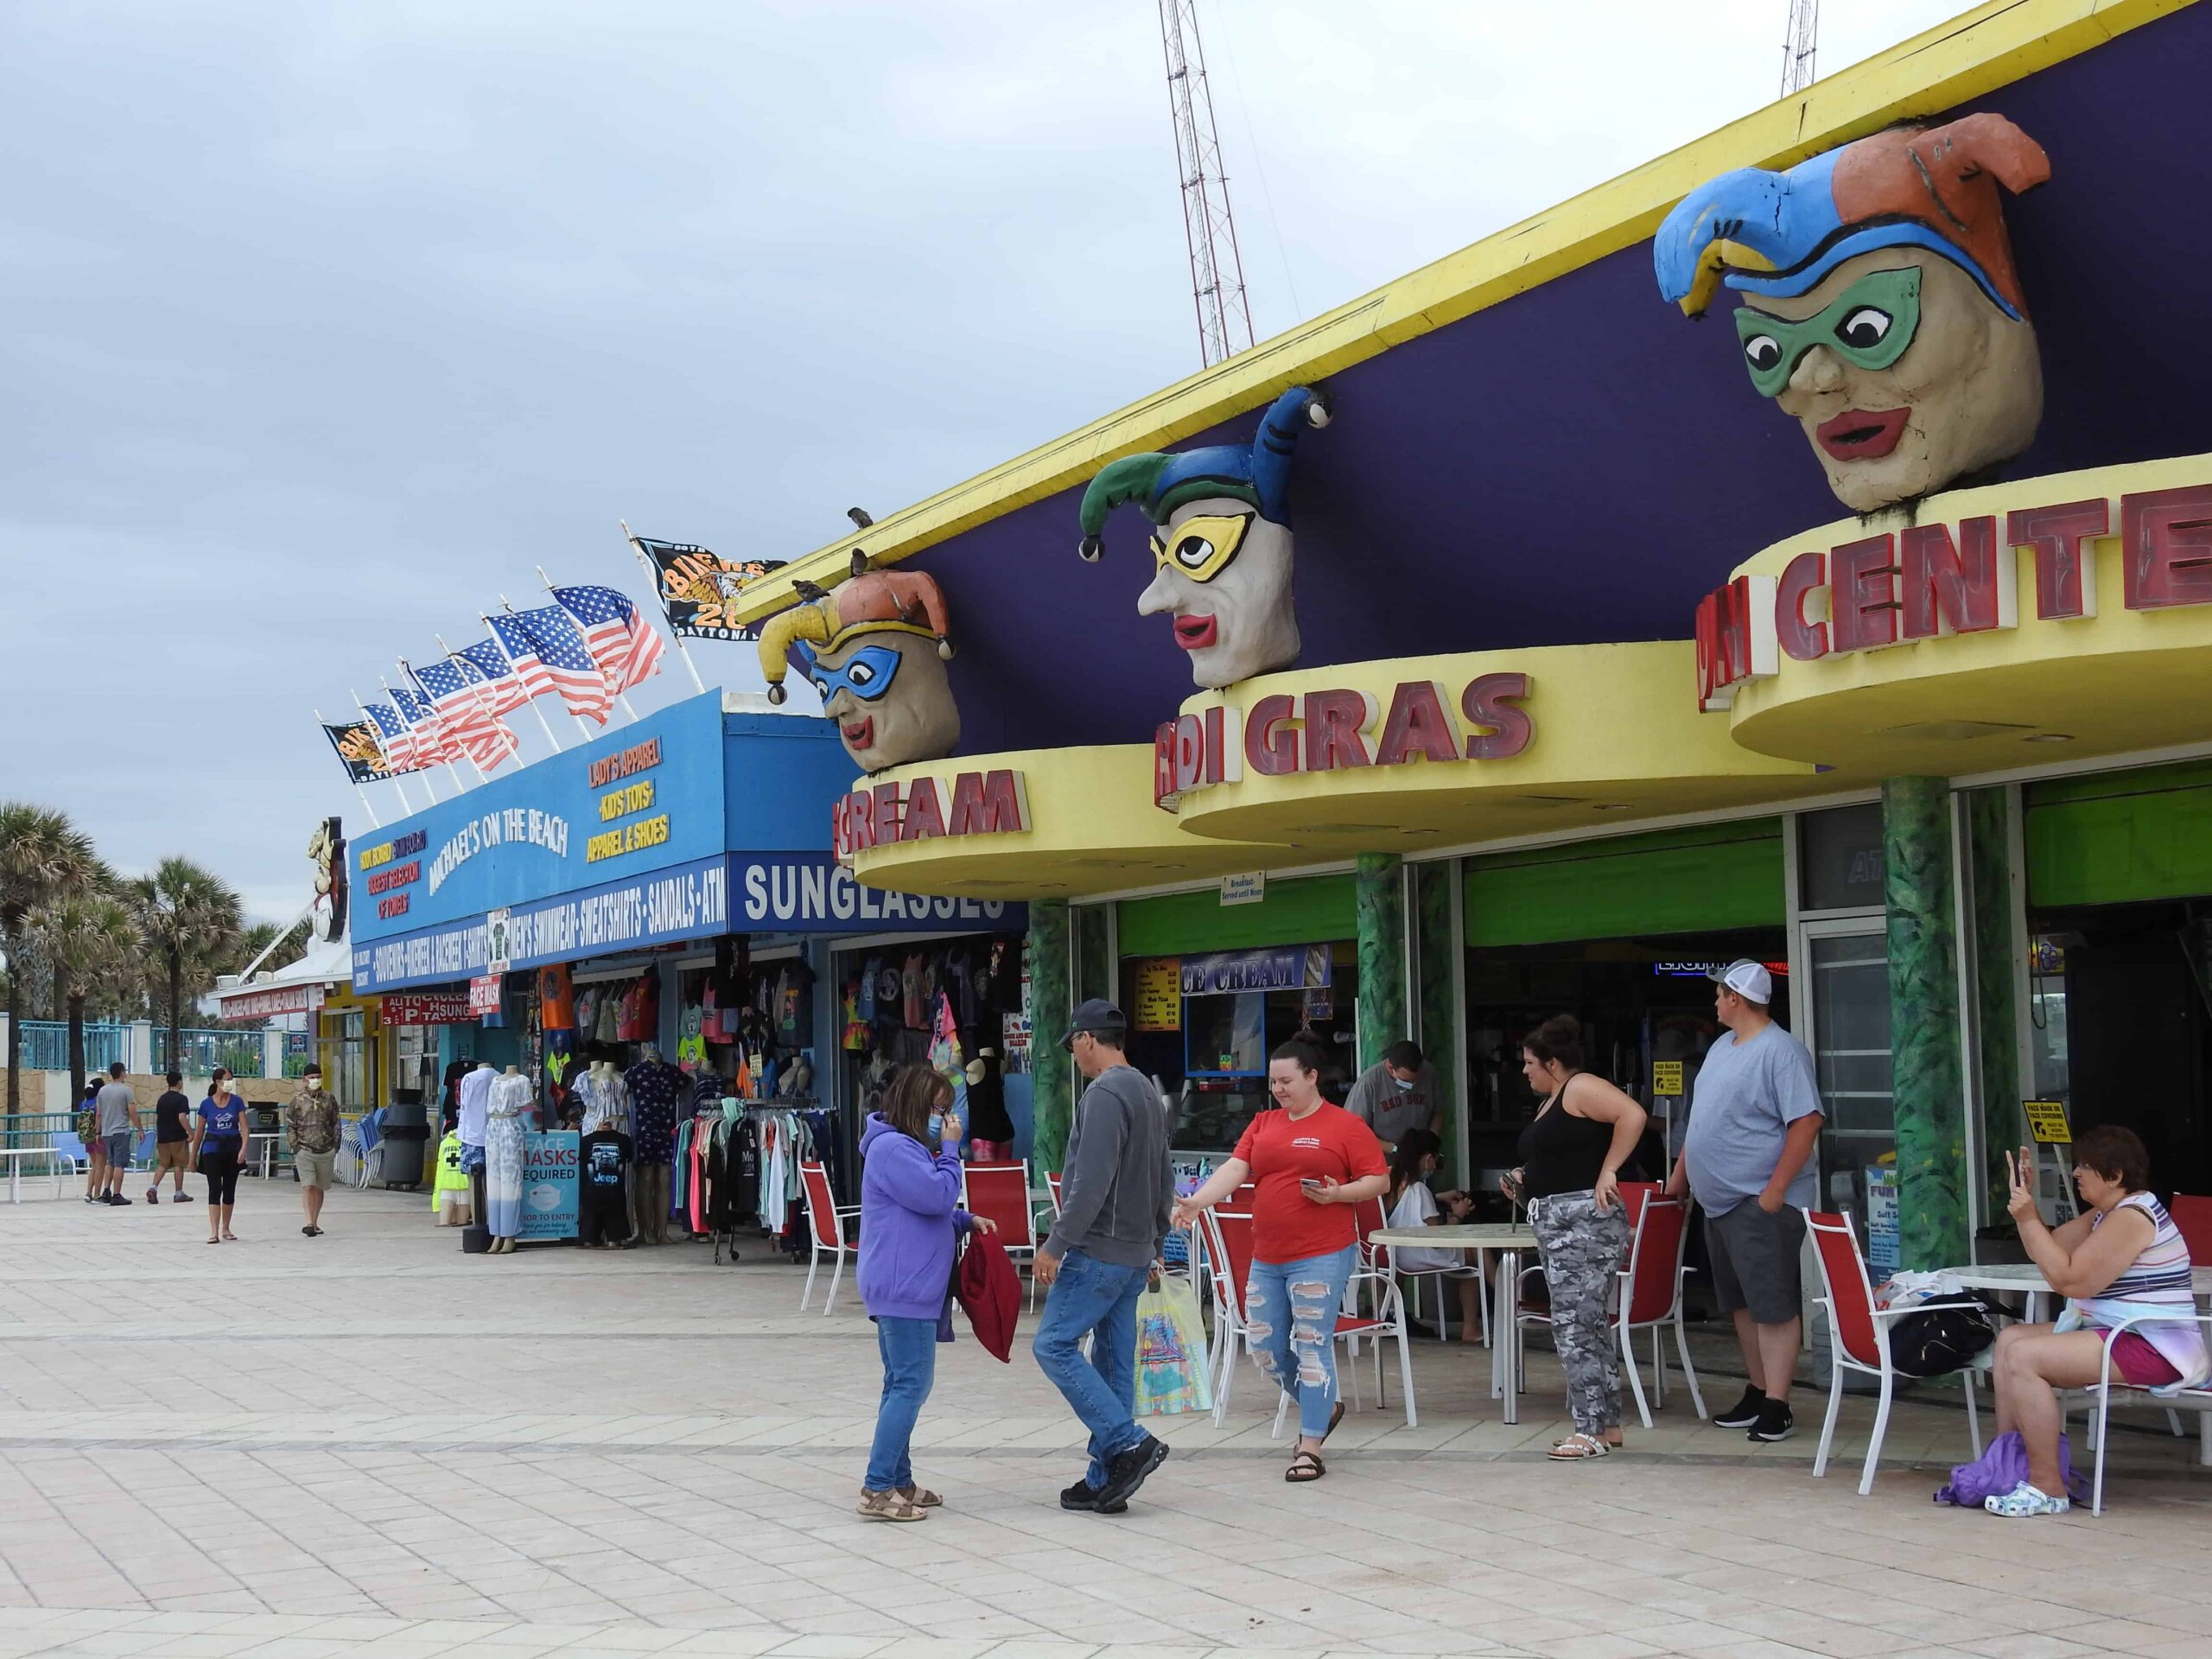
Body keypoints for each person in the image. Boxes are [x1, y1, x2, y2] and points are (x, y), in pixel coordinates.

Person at [1175, 1035, 1390, 1483]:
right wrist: (1199, 1201)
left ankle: (1309, 1446)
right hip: (1267, 1255)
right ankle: (1325, 1405)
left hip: (1322, 1254)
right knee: (1265, 1350)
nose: (1279, 1088)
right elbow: (1236, 1167)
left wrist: (1337, 1195)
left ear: (1313, 1077)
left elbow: (1379, 1181)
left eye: (1287, 1080)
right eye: (1273, 1081)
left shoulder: (1345, 1126)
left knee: (1312, 1346)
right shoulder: (1264, 1122)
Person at [1985, 1128, 2210, 1517]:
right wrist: (2027, 1207)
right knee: (2010, 1341)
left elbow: (2069, 1280)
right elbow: (2050, 1245)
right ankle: (2008, 1469)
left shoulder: (2134, 1217)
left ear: (2116, 1175)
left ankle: (2046, 1486)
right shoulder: (2108, 1213)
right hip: (2122, 1333)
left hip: (2156, 1346)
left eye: (2085, 1166)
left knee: (2025, 1357)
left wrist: (2026, 1218)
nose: (2075, 1174)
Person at [1664, 959, 1822, 1444]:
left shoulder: (1781, 1051)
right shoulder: (1720, 1048)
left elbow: (1808, 1121)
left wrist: (1775, 1190)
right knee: (1739, 1303)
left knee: (1771, 1304)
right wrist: (1678, 1181)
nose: (1714, 1002)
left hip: (1758, 1201)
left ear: (1735, 998)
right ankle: (1757, 1390)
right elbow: (1700, 1122)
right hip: (1719, 1203)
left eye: (1719, 994)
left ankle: (1778, 1402)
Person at [1033, 1000, 1175, 1514]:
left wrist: (1056, 1243)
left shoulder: (1104, 1094)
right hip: (1135, 1254)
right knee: (1114, 1361)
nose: (1072, 1054)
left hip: (1098, 1252)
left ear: (1087, 1038)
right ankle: (1106, 1478)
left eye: (1071, 1043)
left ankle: (1128, 1442)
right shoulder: (1146, 1091)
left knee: (1052, 1346)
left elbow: (1090, 1183)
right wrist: (1156, 1245)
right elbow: (1164, 1177)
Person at [855, 1064, 996, 1521]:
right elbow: (936, 1197)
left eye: (948, 1110)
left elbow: (923, 1209)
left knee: (902, 1383)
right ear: (917, 1105)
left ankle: (899, 1480)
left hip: (910, 1284)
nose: (946, 1118)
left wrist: (963, 1220)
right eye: (939, 1109)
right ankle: (877, 1488)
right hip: (904, 1286)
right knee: (911, 1384)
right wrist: (952, 1150)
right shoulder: (894, 1148)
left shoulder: (906, 1148)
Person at [1506, 1016, 1649, 1459]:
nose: (1525, 1071)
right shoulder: (1554, 1100)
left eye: (1530, 1063)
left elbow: (1633, 1113)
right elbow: (1564, 1154)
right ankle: (1605, 1423)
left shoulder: (1581, 1086)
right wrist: (1525, 1177)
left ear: (1552, 1062)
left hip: (1583, 1222)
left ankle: (1588, 1429)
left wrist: (1610, 1169)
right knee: (1586, 1325)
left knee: (1573, 1326)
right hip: (1556, 1219)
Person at [1382, 1130, 1483, 1342]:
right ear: (1428, 1159)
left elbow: (1406, 1206)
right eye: (1438, 1159)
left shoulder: (1389, 1182)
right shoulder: (1420, 1190)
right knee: (1474, 1254)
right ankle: (1471, 1327)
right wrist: (1458, 1214)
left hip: (1395, 1256)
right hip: (1419, 1256)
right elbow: (1438, 1237)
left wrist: (1438, 1197)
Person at [1344, 1039, 1442, 1149]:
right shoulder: (1369, 1083)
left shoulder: (1428, 1072)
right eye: (1406, 1081)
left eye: (1415, 1080)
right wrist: (1394, 1149)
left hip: (1420, 1154)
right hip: (1383, 1158)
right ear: (1391, 1068)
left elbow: (1437, 1112)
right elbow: (1354, 1132)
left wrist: (1431, 1139)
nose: (1412, 1085)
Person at [191, 1067, 248, 1243]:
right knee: (215, 1188)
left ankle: (226, 1227)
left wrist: (244, 1148)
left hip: (232, 1148)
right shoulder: (206, 1104)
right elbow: (199, 1132)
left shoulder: (237, 1102)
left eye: (231, 1079)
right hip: (212, 1149)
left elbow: (244, 1127)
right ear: (217, 1082)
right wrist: (193, 1158)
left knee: (229, 1189)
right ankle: (214, 1231)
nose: (230, 1082)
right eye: (226, 1079)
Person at [285, 1064, 341, 1236]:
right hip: (304, 1149)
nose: (315, 1080)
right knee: (308, 1185)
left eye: (318, 1076)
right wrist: (295, 1146)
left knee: (320, 1187)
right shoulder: (297, 1099)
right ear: (304, 1079)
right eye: (311, 1077)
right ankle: (308, 1222)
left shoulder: (329, 1098)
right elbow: (290, 1124)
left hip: (325, 1149)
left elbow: (336, 1122)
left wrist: (335, 1145)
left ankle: (315, 1222)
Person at [93, 1061, 141, 1205]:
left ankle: (106, 1191)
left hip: (106, 1132)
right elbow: (132, 1112)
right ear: (121, 1073)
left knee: (110, 1162)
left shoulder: (102, 1091)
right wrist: (140, 1129)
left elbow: (99, 1114)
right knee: (120, 1163)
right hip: (121, 1131)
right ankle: (117, 1194)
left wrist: (98, 1131)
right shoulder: (126, 1091)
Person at [147, 1070, 194, 1205]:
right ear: (179, 1082)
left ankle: (153, 1188)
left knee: (163, 1164)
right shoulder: (181, 1099)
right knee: (179, 1164)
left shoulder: (162, 1099)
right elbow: (182, 1117)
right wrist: (190, 1132)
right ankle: (179, 1193)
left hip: (162, 1137)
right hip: (177, 1136)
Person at [77, 1078, 106, 1205]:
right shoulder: (99, 1103)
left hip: (88, 1137)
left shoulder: (84, 1104)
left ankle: (89, 1192)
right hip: (98, 1136)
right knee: (100, 1166)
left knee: (94, 1166)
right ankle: (97, 1194)